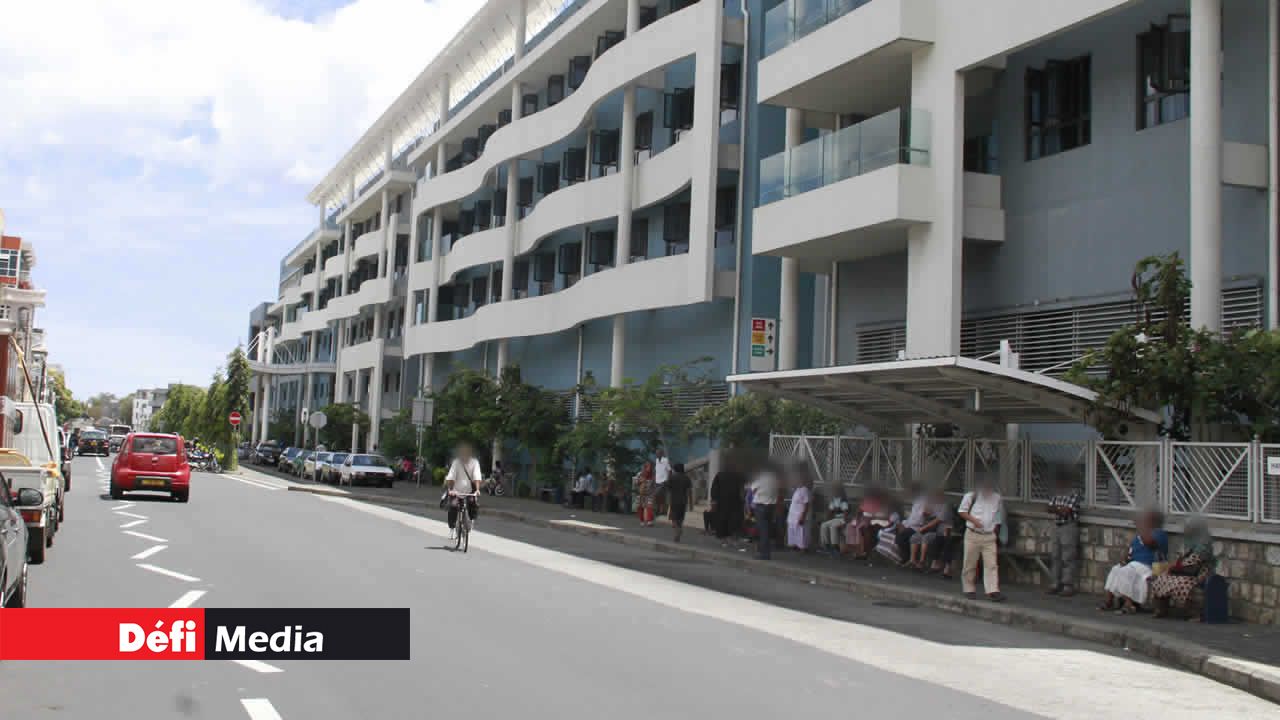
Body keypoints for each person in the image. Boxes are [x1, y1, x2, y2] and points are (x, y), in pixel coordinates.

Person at [1100, 510, 1168, 614]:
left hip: (1148, 565)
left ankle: (1129, 605)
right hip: (1134, 564)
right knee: (1116, 569)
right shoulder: (1140, 535)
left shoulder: (1159, 533)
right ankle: (1109, 601)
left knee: (1126, 571)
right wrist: (1124, 559)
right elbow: (1130, 550)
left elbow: (1151, 544)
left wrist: (1142, 529)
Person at [1150, 519, 1216, 618]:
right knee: (1161, 578)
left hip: (1199, 574)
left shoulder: (1204, 544)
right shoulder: (1189, 542)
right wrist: (1173, 567)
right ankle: (1162, 609)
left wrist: (1176, 568)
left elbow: (1194, 564)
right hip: (1185, 572)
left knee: (1182, 584)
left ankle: (1194, 614)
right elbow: (1181, 559)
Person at [959, 478, 1006, 602]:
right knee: (969, 563)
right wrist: (974, 521)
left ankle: (992, 590)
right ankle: (969, 588)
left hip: (989, 535)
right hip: (973, 533)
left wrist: (995, 529)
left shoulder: (997, 498)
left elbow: (998, 515)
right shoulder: (971, 496)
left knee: (991, 564)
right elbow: (962, 511)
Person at [1046, 476, 1083, 597]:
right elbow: (1048, 508)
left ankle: (1068, 586)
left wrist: (1056, 509)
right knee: (1055, 555)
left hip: (1068, 526)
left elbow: (1066, 511)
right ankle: (1055, 584)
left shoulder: (1074, 493)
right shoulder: (1056, 493)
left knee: (1068, 556)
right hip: (1057, 525)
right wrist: (1059, 509)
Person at [845, 486, 892, 559]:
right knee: (850, 526)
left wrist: (872, 517)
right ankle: (853, 549)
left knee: (861, 528)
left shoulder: (882, 502)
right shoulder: (867, 501)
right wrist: (856, 518)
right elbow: (859, 511)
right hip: (864, 519)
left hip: (875, 521)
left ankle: (862, 551)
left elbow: (882, 516)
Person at [444, 443, 481, 533]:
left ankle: (471, 520)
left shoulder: (474, 462)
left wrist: (477, 490)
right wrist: (450, 490)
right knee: (453, 506)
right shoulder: (456, 462)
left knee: (473, 503)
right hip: (456, 491)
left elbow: (477, 477)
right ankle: (452, 527)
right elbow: (451, 477)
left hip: (469, 491)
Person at [708, 456, 746, 540]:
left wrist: (714, 500)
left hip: (722, 502)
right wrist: (743, 501)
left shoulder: (720, 474)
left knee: (722, 519)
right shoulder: (739, 475)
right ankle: (732, 536)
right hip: (735, 503)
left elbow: (714, 489)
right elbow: (742, 490)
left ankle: (722, 537)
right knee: (733, 521)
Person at [750, 462, 781, 560]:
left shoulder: (760, 478)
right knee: (767, 529)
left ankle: (764, 553)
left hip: (760, 506)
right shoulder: (775, 480)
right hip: (771, 507)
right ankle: (763, 551)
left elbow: (753, 489)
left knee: (763, 530)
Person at [666, 462, 694, 542]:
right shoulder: (687, 478)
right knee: (680, 518)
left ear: (675, 469)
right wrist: (691, 503)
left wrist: (668, 501)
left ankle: (678, 530)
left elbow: (668, 490)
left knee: (673, 518)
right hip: (683, 501)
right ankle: (678, 531)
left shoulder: (672, 477)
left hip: (674, 501)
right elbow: (689, 491)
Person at [786, 475, 812, 551]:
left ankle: (803, 548)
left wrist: (802, 516)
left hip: (799, 516)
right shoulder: (797, 490)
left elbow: (807, 504)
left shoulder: (805, 490)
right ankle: (795, 546)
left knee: (801, 533)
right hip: (793, 517)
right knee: (794, 533)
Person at [633, 462, 655, 526]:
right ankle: (642, 520)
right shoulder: (639, 474)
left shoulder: (653, 475)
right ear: (645, 467)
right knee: (640, 507)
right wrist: (640, 481)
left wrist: (653, 491)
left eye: (650, 467)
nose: (649, 468)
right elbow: (635, 483)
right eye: (647, 466)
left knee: (649, 507)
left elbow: (654, 484)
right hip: (640, 493)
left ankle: (649, 521)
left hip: (649, 494)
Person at [653, 448, 672, 516]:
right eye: (656, 453)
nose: (656, 454)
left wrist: (667, 480)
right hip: (657, 481)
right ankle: (660, 511)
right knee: (660, 497)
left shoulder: (665, 460)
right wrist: (654, 479)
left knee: (656, 495)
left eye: (658, 453)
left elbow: (669, 470)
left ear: (661, 453)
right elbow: (656, 470)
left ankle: (657, 510)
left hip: (663, 481)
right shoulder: (656, 460)